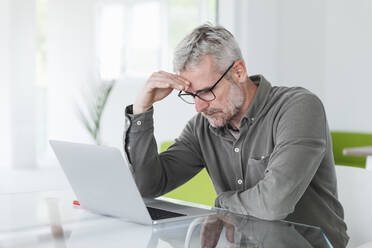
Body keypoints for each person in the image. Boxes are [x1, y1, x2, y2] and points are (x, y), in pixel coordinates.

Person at [123, 24, 348, 248]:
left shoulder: (298, 107)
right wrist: (141, 110)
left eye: (206, 92)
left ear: (238, 72)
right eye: (192, 95)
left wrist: (222, 202)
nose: (199, 107)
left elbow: (273, 204)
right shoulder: (202, 127)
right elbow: (147, 187)